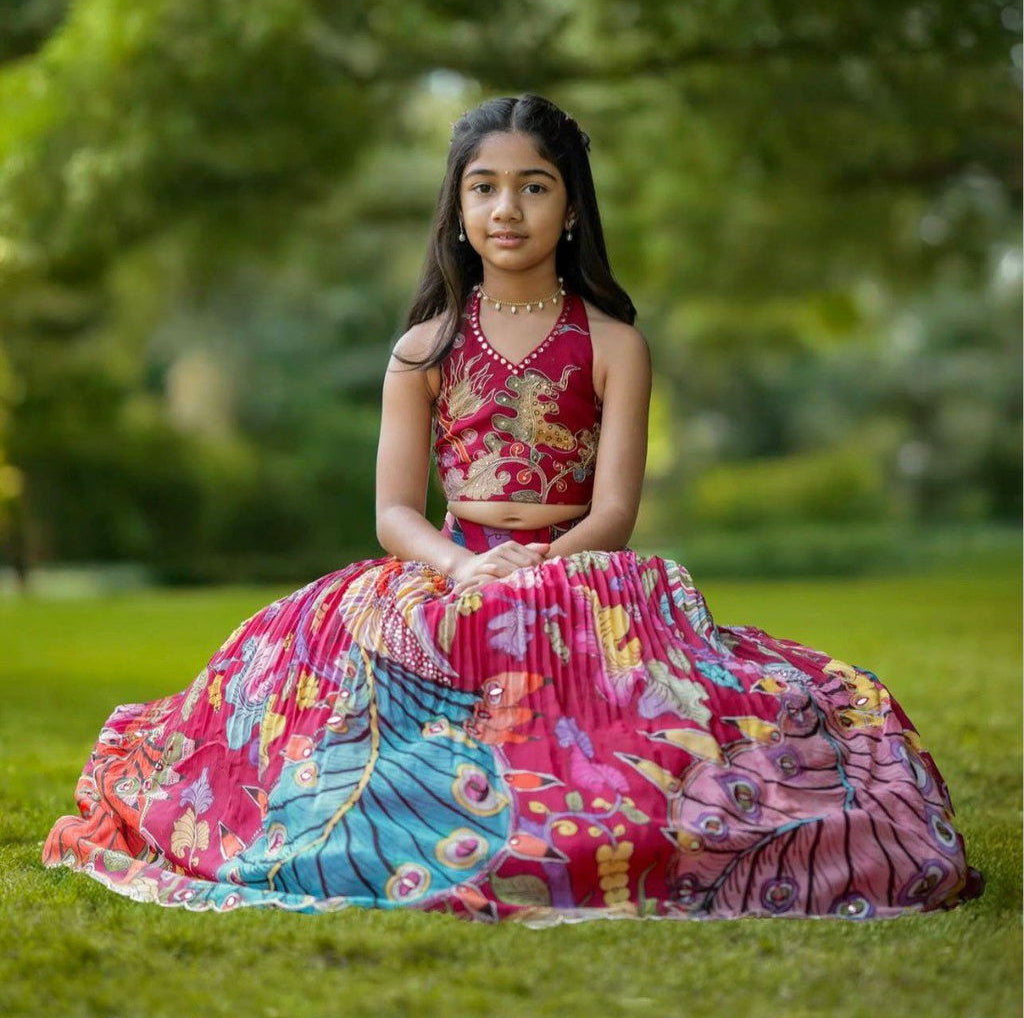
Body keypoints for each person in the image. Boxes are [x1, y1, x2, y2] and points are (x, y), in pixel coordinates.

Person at [43, 94, 982, 921]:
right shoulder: (422, 350)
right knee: (323, 678)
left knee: (655, 707)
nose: (507, 208)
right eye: (484, 186)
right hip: (448, 564)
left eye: (534, 186)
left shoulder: (615, 345)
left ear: (571, 206)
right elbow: (393, 514)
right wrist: (464, 567)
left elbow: (616, 505)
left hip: (584, 568)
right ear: (456, 208)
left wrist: (545, 566)